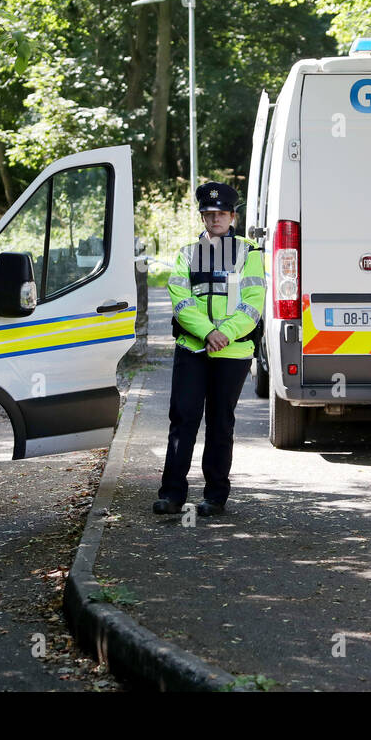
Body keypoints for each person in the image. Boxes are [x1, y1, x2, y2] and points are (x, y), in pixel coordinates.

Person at [154, 182, 265, 517]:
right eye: (208, 213)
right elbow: (181, 299)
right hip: (193, 348)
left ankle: (215, 496)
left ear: (232, 216)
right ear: (202, 216)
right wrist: (207, 333)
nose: (214, 219)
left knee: (220, 422)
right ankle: (172, 495)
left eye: (221, 213)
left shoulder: (249, 252)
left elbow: (254, 302)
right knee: (183, 419)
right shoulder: (187, 253)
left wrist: (225, 335)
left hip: (232, 352)